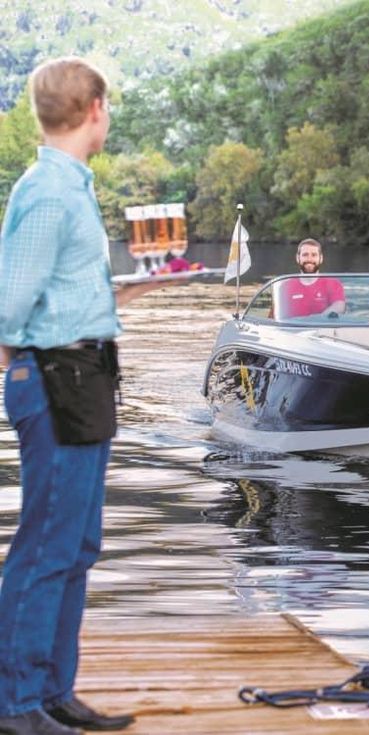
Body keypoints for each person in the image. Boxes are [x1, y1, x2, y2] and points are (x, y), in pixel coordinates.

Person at [0, 57, 165, 735]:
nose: (110, 115)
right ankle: (14, 703)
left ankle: (52, 689)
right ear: (94, 107)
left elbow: (60, 293)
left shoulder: (70, 187)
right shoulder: (49, 191)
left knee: (79, 542)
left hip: (85, 373)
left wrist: (129, 291)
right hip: (55, 379)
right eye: (110, 106)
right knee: (46, 543)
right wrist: (17, 371)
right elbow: (10, 304)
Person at [275, 238, 346, 318]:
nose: (309, 259)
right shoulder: (285, 287)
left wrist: (316, 320)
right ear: (298, 258)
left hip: (322, 329)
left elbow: (339, 306)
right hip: (292, 329)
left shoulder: (333, 283)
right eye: (305, 255)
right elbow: (275, 316)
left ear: (321, 258)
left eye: (314, 255)